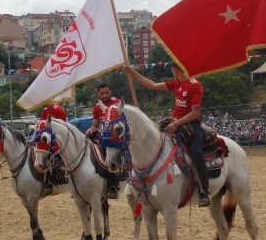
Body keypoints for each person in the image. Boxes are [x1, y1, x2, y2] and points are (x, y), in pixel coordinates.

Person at [127, 62, 211, 207]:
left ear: (175, 69)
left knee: (196, 153)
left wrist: (177, 124)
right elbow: (153, 86)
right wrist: (133, 73)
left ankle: (204, 190)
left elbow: (195, 112)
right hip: (173, 122)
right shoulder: (176, 83)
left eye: (173, 69)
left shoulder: (195, 85)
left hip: (191, 124)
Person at [85, 83, 121, 199]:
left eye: (107, 92)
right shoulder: (97, 107)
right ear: (98, 94)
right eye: (102, 93)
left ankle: (113, 186)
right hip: (102, 135)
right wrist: (91, 130)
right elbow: (95, 125)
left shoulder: (118, 103)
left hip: (116, 136)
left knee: (109, 155)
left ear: (110, 91)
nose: (105, 95)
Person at [40, 103, 68, 195]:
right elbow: (42, 126)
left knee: (53, 159)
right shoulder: (45, 110)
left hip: (59, 138)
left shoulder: (59, 109)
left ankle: (53, 182)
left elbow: (64, 127)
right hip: (49, 139)